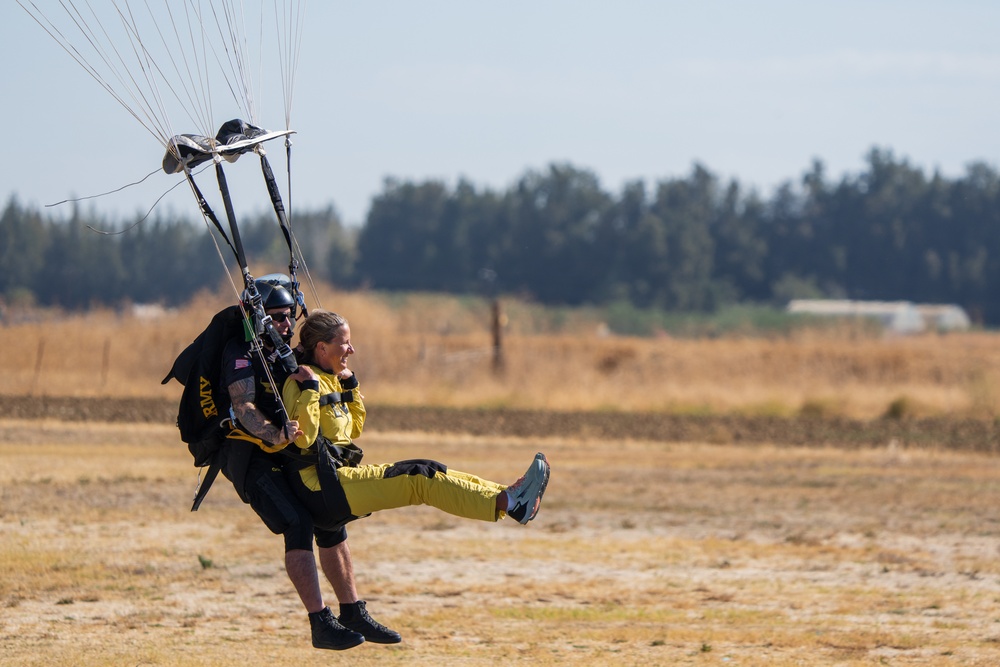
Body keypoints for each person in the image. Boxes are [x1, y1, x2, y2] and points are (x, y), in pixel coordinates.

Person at [219, 278, 400, 651]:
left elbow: (325, 355)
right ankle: (320, 623)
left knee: (329, 521)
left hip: (288, 455)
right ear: (258, 319)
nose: (287, 325)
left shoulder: (289, 352)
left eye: (289, 317)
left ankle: (352, 611)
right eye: (278, 318)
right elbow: (244, 407)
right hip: (252, 458)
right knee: (296, 522)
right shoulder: (242, 353)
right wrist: (275, 433)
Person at [279, 310, 550, 540]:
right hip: (321, 488)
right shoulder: (301, 383)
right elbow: (304, 439)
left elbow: (353, 430)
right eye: (345, 343)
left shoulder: (333, 378)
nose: (352, 349)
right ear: (322, 348)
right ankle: (510, 502)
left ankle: (507, 497)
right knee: (419, 478)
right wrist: (311, 389)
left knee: (429, 468)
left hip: (340, 477)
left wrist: (351, 385)